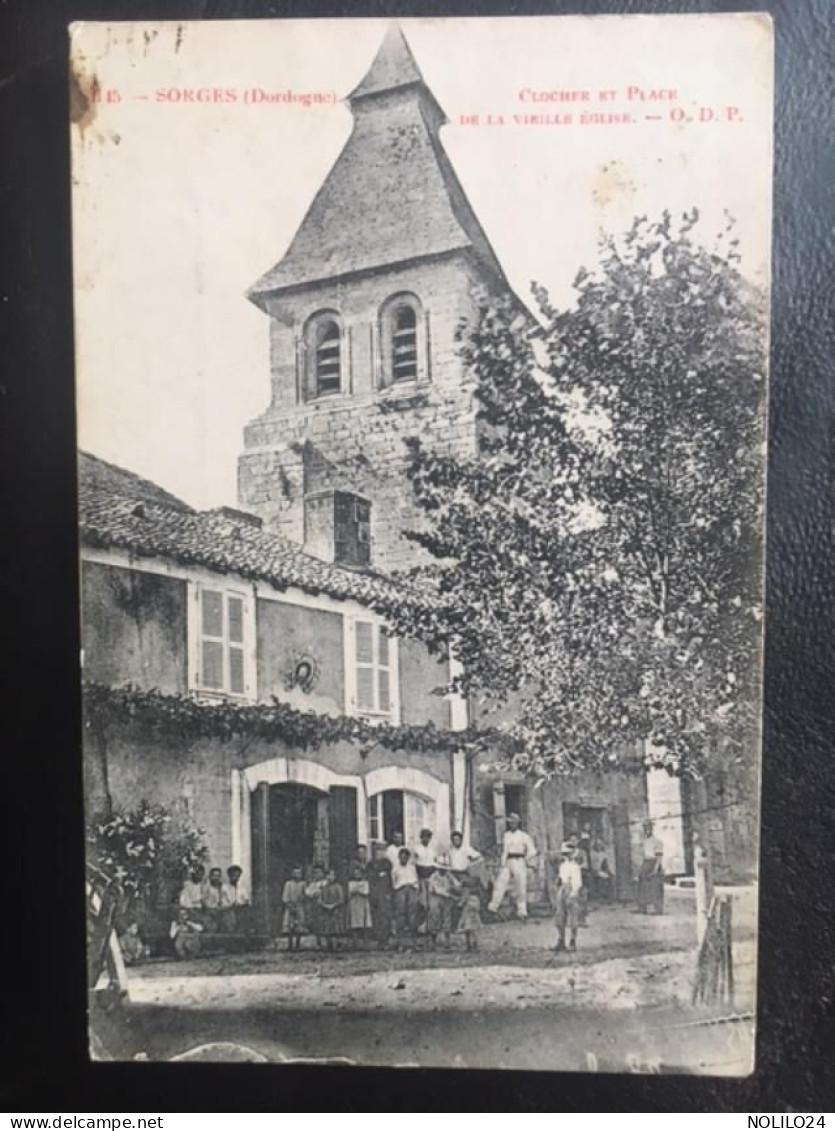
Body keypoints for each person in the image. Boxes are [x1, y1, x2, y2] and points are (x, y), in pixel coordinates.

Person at [487, 813, 537, 921]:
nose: (512, 824)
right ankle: (493, 907)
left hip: (519, 861)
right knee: (500, 883)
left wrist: (526, 859)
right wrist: (502, 863)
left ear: (518, 823)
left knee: (520, 885)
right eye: (510, 822)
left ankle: (522, 911)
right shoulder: (506, 835)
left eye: (514, 822)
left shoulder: (524, 836)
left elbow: (532, 850)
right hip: (508, 861)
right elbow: (505, 850)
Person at [554, 841, 583, 953]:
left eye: (568, 853)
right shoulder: (562, 866)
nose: (566, 856)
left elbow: (577, 883)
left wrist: (573, 893)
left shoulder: (575, 867)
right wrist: (558, 884)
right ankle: (561, 940)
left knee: (573, 919)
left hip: (572, 892)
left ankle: (572, 941)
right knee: (559, 918)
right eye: (564, 854)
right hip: (562, 890)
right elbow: (561, 879)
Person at [426, 865, 460, 948]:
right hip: (435, 897)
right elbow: (437, 890)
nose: (443, 870)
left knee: (447, 917)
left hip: (447, 899)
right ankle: (433, 941)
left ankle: (447, 941)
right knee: (434, 917)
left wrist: (458, 887)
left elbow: (457, 885)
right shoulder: (434, 876)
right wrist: (451, 896)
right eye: (441, 868)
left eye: (445, 868)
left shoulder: (449, 875)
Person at [366, 842, 394, 947]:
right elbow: (370, 877)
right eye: (377, 851)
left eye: (382, 851)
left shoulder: (387, 864)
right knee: (376, 916)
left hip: (384, 893)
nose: (380, 853)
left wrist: (390, 893)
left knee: (385, 916)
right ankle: (378, 939)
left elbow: (390, 880)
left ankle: (385, 939)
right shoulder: (370, 865)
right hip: (374, 893)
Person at [391, 846, 419, 943]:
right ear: (399, 857)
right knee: (400, 913)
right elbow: (393, 881)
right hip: (400, 889)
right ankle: (400, 938)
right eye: (402, 857)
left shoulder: (412, 867)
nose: (404, 859)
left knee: (412, 913)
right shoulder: (395, 868)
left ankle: (413, 938)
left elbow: (415, 880)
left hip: (411, 889)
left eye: (405, 857)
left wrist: (415, 890)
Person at [637, 820, 665, 914]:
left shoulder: (657, 842)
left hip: (654, 863)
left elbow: (659, 857)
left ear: (651, 829)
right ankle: (643, 908)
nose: (646, 830)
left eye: (648, 828)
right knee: (643, 886)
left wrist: (655, 869)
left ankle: (658, 909)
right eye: (645, 828)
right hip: (646, 863)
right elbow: (643, 855)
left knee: (655, 887)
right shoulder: (644, 842)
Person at [412, 828, 437, 932]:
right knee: (422, 904)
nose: (426, 839)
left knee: (431, 904)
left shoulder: (432, 850)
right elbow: (414, 864)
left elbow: (434, 864)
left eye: (428, 837)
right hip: (421, 878)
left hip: (431, 878)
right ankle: (420, 928)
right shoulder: (416, 849)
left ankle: (429, 927)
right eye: (424, 837)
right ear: (421, 837)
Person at [281, 865, 307, 951]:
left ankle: (297, 944)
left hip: (299, 906)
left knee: (299, 926)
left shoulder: (303, 884)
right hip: (290, 906)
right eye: (295, 873)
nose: (297, 875)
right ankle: (290, 944)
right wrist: (289, 905)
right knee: (290, 926)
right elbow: (285, 896)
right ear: (292, 874)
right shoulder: (288, 884)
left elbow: (306, 894)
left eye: (299, 873)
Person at [318, 869, 345, 951]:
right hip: (326, 909)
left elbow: (341, 899)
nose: (330, 877)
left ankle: (337, 944)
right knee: (327, 928)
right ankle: (328, 944)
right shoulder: (323, 887)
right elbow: (320, 899)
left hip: (335, 909)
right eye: (328, 875)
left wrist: (333, 906)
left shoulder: (338, 887)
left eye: (332, 875)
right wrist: (324, 905)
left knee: (336, 928)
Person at [347, 863, 372, 946]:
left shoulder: (365, 882)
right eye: (355, 873)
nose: (357, 875)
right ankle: (355, 941)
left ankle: (366, 941)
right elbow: (350, 892)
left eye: (359, 873)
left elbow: (366, 892)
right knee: (355, 922)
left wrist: (358, 890)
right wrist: (357, 890)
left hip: (363, 902)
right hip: (354, 903)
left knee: (365, 921)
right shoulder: (351, 883)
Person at [220, 864, 251, 933]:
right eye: (233, 875)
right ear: (229, 876)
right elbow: (223, 902)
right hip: (229, 911)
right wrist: (231, 904)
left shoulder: (242, 888)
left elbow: (246, 900)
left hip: (240, 911)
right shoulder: (224, 887)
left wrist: (241, 903)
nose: (236, 878)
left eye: (237, 876)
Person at [457, 877, 483, 951]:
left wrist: (460, 904)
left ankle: (470, 944)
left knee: (468, 929)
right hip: (473, 915)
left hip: (468, 915)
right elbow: (478, 907)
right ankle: (474, 943)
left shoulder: (467, 895)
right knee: (472, 929)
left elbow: (462, 902)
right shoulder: (476, 897)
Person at [304, 863, 326, 947]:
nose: (317, 874)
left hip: (324, 904)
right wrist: (312, 894)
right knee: (317, 924)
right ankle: (318, 941)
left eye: (319, 872)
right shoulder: (313, 884)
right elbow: (308, 892)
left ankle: (328, 942)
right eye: (315, 873)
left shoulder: (325, 882)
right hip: (315, 906)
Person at [589, 838, 614, 902]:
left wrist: (608, 871)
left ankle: (609, 897)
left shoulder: (603, 854)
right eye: (597, 844)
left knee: (610, 877)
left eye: (600, 844)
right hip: (594, 870)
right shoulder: (592, 853)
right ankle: (599, 896)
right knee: (601, 878)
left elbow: (605, 864)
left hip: (601, 870)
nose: (599, 846)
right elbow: (592, 864)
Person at [202, 867, 224, 931]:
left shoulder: (221, 888)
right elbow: (205, 902)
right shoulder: (206, 888)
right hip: (209, 914)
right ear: (210, 876)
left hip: (220, 914)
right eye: (214, 875)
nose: (216, 878)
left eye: (218, 876)